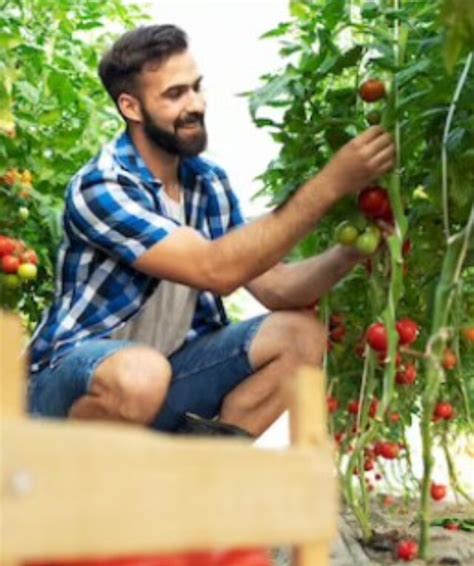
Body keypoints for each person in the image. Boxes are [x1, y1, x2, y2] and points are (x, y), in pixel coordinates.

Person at [27, 24, 395, 438]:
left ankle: (204, 473)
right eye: (174, 94)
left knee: (301, 336)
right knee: (140, 374)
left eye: (196, 88)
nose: (196, 104)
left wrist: (351, 253)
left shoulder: (207, 182)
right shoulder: (102, 186)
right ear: (131, 107)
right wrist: (331, 183)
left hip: (165, 377)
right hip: (68, 385)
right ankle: (76, 476)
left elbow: (278, 287)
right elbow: (215, 270)